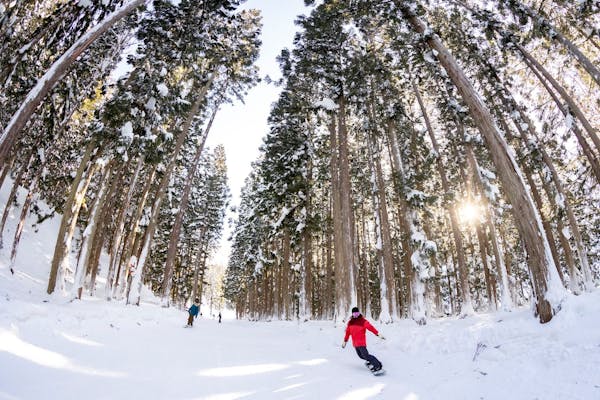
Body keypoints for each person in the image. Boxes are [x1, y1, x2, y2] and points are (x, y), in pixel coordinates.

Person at [342, 307, 385, 372]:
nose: (356, 314)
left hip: (361, 343)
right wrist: (345, 341)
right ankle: (370, 361)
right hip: (355, 344)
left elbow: (370, 327)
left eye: (357, 313)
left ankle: (378, 365)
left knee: (366, 355)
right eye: (354, 313)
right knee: (361, 356)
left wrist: (377, 333)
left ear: (359, 313)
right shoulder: (350, 323)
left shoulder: (363, 321)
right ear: (352, 314)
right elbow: (348, 332)